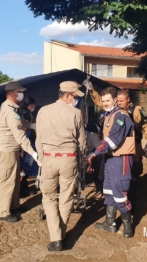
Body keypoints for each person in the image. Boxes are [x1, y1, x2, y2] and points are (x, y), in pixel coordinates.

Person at [83, 79, 147, 207]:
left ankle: (130, 202)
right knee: (113, 179)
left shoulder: (136, 110)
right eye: (118, 100)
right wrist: (92, 90)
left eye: (122, 101)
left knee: (132, 174)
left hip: (132, 147)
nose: (119, 102)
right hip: (115, 148)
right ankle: (115, 208)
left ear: (128, 100)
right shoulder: (113, 113)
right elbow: (101, 102)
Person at [35, 81, 86, 251]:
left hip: (49, 158)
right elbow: (82, 143)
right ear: (66, 95)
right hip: (69, 159)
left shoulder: (43, 111)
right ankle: (61, 235)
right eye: (74, 96)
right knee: (66, 197)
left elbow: (38, 139)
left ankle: (55, 237)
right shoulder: (77, 113)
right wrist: (80, 161)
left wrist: (42, 159)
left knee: (48, 198)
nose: (75, 100)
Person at [86, 87, 135, 238]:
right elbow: (102, 133)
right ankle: (110, 222)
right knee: (108, 190)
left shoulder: (121, 116)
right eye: (104, 101)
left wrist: (94, 153)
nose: (106, 103)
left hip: (121, 159)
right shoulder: (108, 115)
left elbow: (113, 140)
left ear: (115, 100)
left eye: (108, 100)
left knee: (120, 192)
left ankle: (128, 223)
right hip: (109, 158)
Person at [0, 82, 40, 223]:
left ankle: (13, 206)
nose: (22, 94)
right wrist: (34, 153)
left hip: (11, 149)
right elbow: (20, 135)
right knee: (6, 180)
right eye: (20, 92)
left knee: (14, 179)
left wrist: (35, 126)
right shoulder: (9, 110)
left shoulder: (13, 108)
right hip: (6, 149)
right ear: (12, 93)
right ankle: (2, 211)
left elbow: (23, 124)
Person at [20, 96, 38, 197]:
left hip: (23, 144)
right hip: (25, 144)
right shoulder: (26, 115)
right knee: (24, 167)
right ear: (30, 105)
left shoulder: (22, 113)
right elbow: (26, 130)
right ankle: (23, 191)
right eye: (33, 105)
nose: (34, 107)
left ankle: (23, 189)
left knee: (22, 167)